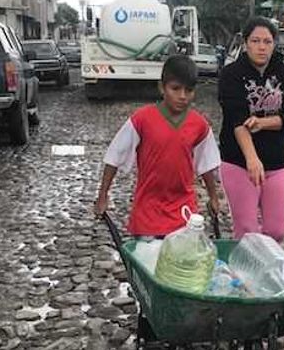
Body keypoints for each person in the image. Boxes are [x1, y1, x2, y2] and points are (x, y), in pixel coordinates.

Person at [94, 55, 220, 236]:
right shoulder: (142, 120)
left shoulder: (199, 125)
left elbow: (206, 164)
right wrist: (103, 195)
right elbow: (114, 157)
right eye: (175, 89)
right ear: (162, 87)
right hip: (148, 209)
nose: (182, 96)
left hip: (184, 210)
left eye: (189, 90)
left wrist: (213, 198)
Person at [218, 17, 284, 241]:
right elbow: (237, 120)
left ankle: (266, 271)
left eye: (267, 41)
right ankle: (245, 274)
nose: (262, 47)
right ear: (246, 43)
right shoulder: (231, 74)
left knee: (277, 230)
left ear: (274, 44)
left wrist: (264, 123)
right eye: (255, 41)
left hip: (277, 160)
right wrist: (252, 159)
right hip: (238, 161)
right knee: (247, 230)